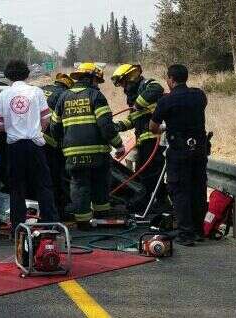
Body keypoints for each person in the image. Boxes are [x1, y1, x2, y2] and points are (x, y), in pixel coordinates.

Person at [50, 62, 126, 230]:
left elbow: (54, 126)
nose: (97, 84)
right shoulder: (96, 96)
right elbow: (105, 125)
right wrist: (119, 145)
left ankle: (83, 222)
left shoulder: (63, 97)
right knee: (100, 183)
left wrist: (62, 144)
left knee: (79, 185)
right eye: (97, 81)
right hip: (98, 152)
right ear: (91, 79)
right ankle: (102, 218)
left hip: (72, 154)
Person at [0, 60, 59, 233]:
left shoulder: (3, 95)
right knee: (43, 185)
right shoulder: (36, 92)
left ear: (8, 76)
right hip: (35, 144)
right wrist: (37, 129)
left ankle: (17, 227)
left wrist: (11, 128)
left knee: (16, 188)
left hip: (15, 146)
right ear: (27, 74)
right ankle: (50, 224)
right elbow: (46, 118)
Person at [150, 64, 209, 246]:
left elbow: (153, 127)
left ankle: (185, 233)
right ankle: (199, 231)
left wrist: (166, 127)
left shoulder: (166, 100)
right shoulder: (199, 95)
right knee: (198, 189)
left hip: (179, 150)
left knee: (179, 190)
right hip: (199, 149)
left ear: (171, 79)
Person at [111, 64, 169, 212]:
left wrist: (139, 103)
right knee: (145, 173)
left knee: (151, 173)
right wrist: (117, 126)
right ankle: (155, 202)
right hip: (144, 140)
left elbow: (158, 89)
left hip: (155, 139)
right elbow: (133, 118)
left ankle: (156, 203)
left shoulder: (147, 85)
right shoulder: (133, 97)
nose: (123, 87)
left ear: (130, 77)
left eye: (123, 82)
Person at [41, 73, 74, 218]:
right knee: (55, 177)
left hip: (32, 138)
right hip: (49, 141)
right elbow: (62, 122)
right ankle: (59, 210)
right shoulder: (64, 95)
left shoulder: (42, 88)